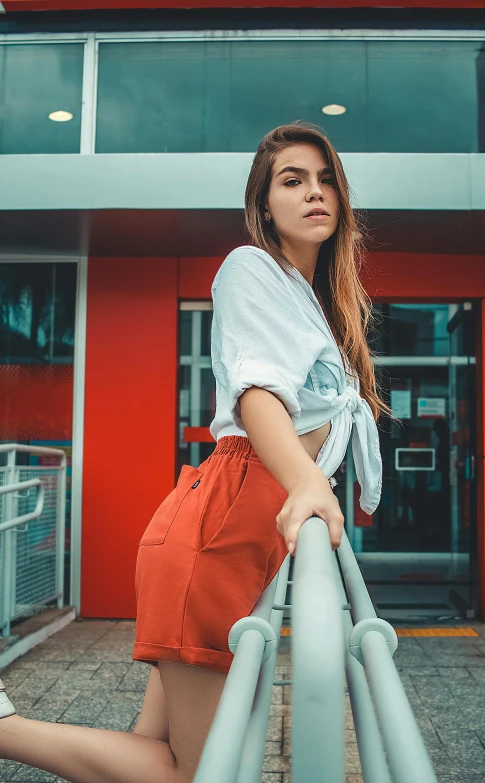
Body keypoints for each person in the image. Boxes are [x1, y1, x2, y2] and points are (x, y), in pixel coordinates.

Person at [0, 122, 387, 783]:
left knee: (160, 752)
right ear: (264, 204)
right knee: (190, 772)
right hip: (220, 531)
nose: (314, 192)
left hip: (234, 533)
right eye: (292, 180)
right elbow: (258, 392)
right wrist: (309, 486)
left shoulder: (313, 304)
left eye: (326, 180)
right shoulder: (251, 267)